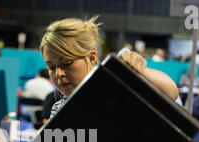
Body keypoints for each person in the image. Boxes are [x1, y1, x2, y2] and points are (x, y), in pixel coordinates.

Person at [39, 17, 179, 120]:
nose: (59, 74)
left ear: (92, 58)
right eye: (51, 67)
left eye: (67, 63)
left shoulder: (117, 91)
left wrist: (137, 71)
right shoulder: (59, 109)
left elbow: (171, 92)